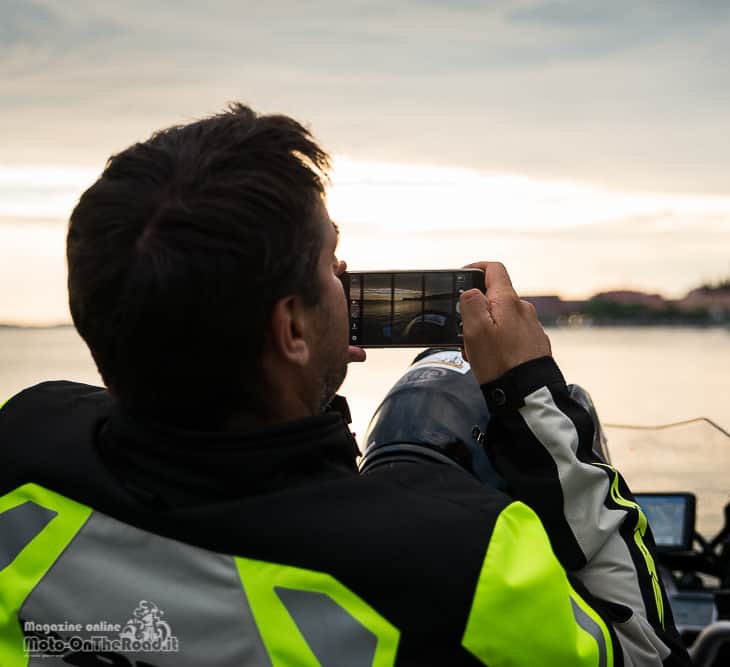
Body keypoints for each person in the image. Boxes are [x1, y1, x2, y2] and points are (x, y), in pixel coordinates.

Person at [0, 104, 690, 666]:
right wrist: (531, 390)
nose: (347, 275)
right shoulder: (455, 565)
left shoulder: (25, 447)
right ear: (290, 329)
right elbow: (646, 651)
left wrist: (292, 387)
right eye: (332, 264)